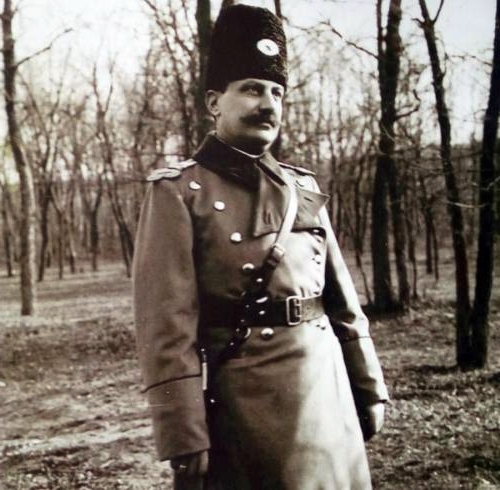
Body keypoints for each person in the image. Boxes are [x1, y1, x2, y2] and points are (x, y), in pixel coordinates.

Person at [133, 4, 389, 489]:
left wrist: (368, 384)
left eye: (277, 92)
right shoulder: (178, 192)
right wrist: (182, 430)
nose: (268, 104)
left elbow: (342, 301)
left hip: (327, 393)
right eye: (252, 89)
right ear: (214, 102)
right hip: (244, 407)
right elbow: (165, 329)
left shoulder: (302, 187)